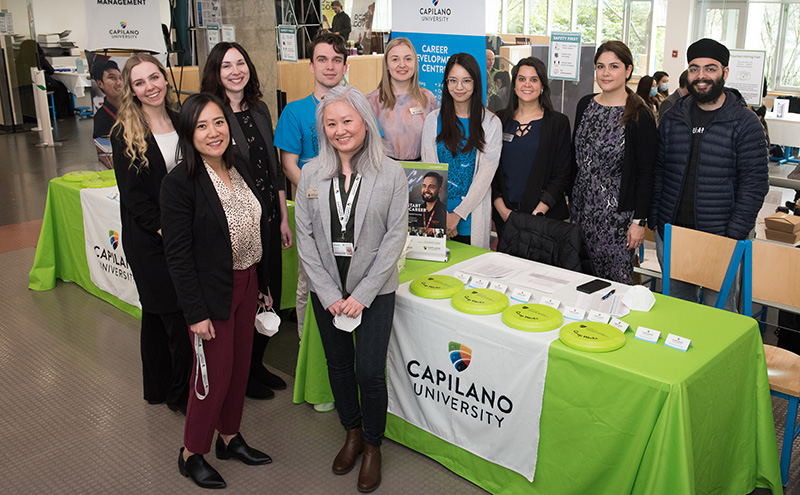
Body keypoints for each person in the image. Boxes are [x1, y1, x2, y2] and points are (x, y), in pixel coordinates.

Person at [294, 85, 408, 493]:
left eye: (347, 121)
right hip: (329, 291)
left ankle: (373, 446)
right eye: (331, 123)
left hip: (374, 290)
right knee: (339, 367)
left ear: (364, 121)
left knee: (369, 371)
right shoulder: (310, 173)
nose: (340, 130)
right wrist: (329, 295)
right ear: (323, 129)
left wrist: (361, 295)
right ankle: (352, 433)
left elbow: (396, 237)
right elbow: (305, 239)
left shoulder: (391, 173)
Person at [161, 93, 273, 489]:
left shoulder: (237, 166)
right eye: (202, 126)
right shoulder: (179, 184)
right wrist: (194, 312)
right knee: (212, 377)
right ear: (188, 133)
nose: (214, 132)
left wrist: (261, 287)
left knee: (240, 367)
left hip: (248, 281)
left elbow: (251, 225)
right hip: (211, 293)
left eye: (219, 122)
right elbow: (177, 255)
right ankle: (192, 451)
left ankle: (229, 436)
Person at [201, 41, 293, 401]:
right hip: (238, 222)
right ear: (215, 72)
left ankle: (256, 364)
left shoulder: (259, 109)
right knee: (246, 298)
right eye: (226, 66)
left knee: (269, 294)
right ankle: (244, 373)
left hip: (269, 217)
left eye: (241, 63)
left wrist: (284, 217)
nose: (236, 71)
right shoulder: (213, 115)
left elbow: (273, 170)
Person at [649, 38, 769, 311]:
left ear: (725, 73)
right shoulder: (673, 117)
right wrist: (657, 218)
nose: (701, 76)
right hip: (673, 234)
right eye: (694, 68)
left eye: (710, 68)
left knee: (720, 315)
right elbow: (659, 170)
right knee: (677, 310)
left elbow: (755, 183)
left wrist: (735, 232)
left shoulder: (745, 122)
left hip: (721, 236)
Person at [110, 53, 191, 414]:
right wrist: (168, 230)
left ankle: (158, 388)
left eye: (154, 78)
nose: (150, 87)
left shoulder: (181, 121)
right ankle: (180, 395)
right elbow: (134, 198)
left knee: (158, 317)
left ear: (164, 78)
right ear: (131, 90)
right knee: (173, 314)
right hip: (150, 240)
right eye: (140, 82)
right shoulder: (124, 132)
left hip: (183, 233)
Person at [274, 31, 347, 412]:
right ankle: (309, 352)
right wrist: (321, 199)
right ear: (312, 64)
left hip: (354, 214)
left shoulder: (356, 106)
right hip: (314, 211)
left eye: (337, 59)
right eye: (323, 59)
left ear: (345, 65)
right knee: (310, 281)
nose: (330, 66)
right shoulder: (295, 112)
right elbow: (288, 164)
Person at [570, 41, 657, 284]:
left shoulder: (640, 113)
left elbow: (646, 172)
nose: (606, 73)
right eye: (600, 66)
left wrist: (639, 222)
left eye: (614, 66)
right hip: (581, 211)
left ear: (628, 70)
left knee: (615, 286)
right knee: (580, 282)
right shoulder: (585, 104)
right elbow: (575, 159)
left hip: (618, 221)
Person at [421, 53, 502, 249]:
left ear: (475, 83)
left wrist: (457, 215)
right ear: (446, 83)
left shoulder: (491, 123)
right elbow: (429, 170)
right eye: (453, 80)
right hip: (436, 217)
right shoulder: (433, 120)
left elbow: (485, 176)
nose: (459, 87)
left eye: (466, 81)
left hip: (470, 220)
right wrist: (442, 217)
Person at [492, 57, 572, 240]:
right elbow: (491, 169)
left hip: (544, 220)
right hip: (506, 218)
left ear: (542, 85)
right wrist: (503, 212)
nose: (527, 84)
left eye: (534, 79)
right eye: (522, 79)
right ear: (514, 85)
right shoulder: (499, 121)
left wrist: (538, 213)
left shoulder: (558, 123)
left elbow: (562, 174)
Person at [366, 37, 437, 161]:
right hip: (385, 171)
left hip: (420, 172)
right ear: (387, 65)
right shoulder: (372, 101)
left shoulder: (428, 98)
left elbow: (434, 142)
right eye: (395, 59)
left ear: (415, 63)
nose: (402, 64)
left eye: (408, 59)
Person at [92, 59, 122, 138]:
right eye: (112, 78)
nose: (119, 83)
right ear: (100, 83)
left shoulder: (135, 109)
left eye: (120, 78)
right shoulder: (101, 120)